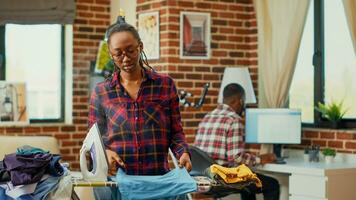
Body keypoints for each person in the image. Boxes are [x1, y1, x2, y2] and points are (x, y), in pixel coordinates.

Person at [88, 16, 192, 199]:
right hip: (117, 184)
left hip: (159, 183)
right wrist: (106, 152)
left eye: (130, 50)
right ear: (111, 54)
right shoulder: (101, 92)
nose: (125, 58)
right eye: (118, 53)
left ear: (140, 47)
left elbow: (176, 132)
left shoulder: (165, 85)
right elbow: (93, 141)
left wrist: (183, 152)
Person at [194, 83, 280, 200]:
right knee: (272, 185)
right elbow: (237, 158)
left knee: (247, 181)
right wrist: (260, 159)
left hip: (201, 180)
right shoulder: (233, 120)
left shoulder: (206, 118)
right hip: (222, 180)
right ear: (240, 101)